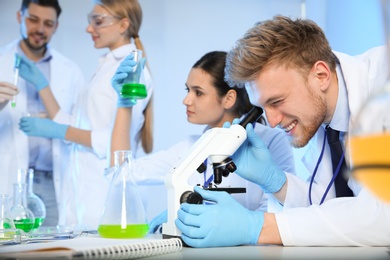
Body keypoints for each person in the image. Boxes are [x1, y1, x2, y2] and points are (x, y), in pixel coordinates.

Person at [175, 16, 390, 247]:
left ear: (321, 75)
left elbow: (382, 216)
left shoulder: (383, 84)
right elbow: (331, 207)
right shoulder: (325, 120)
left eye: (277, 101)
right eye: (263, 107)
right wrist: (277, 183)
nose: (273, 121)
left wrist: (259, 227)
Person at [109, 51, 296, 231]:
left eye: (198, 92)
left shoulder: (271, 141)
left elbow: (279, 214)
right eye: (187, 90)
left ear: (229, 98)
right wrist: (125, 104)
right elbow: (121, 173)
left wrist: (233, 227)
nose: (186, 100)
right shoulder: (189, 147)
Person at [18, 0, 153, 229]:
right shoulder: (106, 66)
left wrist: (61, 131)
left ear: (123, 25)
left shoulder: (131, 71)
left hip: (102, 194)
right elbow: (78, 124)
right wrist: (43, 86)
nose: (89, 28)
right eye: (90, 21)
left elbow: (116, 143)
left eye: (97, 21)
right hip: (81, 195)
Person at [0, 0, 85, 227]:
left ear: (56, 27)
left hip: (53, 181)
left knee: (51, 249)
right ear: (20, 17)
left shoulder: (70, 71)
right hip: (8, 177)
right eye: (33, 20)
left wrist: (56, 126)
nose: (40, 29)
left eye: (48, 23)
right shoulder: (1, 61)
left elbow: (80, 127)